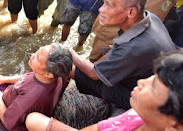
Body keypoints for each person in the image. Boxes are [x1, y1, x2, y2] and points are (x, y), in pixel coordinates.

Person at [70, 0, 176, 110]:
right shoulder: (150, 17)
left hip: (136, 99)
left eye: (108, 5)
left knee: (65, 66)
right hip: (147, 80)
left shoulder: (133, 49)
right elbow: (120, 45)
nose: (101, 9)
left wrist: (69, 52)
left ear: (131, 12)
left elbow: (94, 74)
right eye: (104, 2)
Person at [26, 50, 183, 131]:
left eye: (154, 86)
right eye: (152, 76)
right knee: (34, 120)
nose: (141, 82)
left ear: (175, 125)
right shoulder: (136, 115)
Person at [0, 43, 73, 131]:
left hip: (7, 117)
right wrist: (3, 79)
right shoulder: (52, 75)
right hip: (13, 96)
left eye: (37, 58)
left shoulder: (31, 97)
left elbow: (7, 122)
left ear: (48, 74)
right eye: (37, 52)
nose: (32, 55)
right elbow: (26, 77)